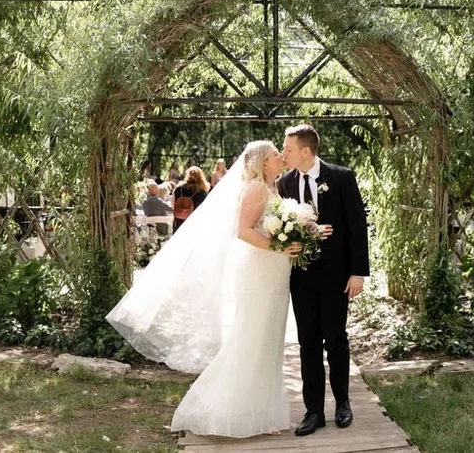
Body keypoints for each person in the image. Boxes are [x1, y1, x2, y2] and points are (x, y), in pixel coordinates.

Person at [106, 141, 330, 438]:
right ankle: (233, 411)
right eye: (276, 153)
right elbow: (243, 231)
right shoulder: (255, 190)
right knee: (252, 339)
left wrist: (305, 231)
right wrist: (280, 247)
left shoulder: (273, 188)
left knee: (269, 341)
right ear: (264, 162)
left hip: (275, 275)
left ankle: (263, 414)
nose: (281, 156)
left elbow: (273, 228)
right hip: (260, 273)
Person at [278, 124, 369, 436]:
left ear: (305, 150)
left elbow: (357, 225)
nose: (283, 154)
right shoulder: (285, 183)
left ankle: (343, 403)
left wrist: (358, 272)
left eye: (288, 149)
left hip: (336, 276)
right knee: (308, 343)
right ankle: (313, 411)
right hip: (301, 277)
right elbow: (281, 229)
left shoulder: (341, 177)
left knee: (336, 339)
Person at [171, 166, 209, 232]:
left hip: (178, 220)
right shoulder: (202, 193)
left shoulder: (178, 189)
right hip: (194, 223)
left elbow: (173, 205)